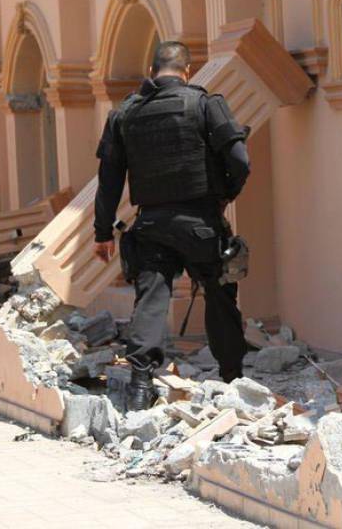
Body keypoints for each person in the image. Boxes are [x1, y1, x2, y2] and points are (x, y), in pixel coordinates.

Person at [92, 41, 250, 411]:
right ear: (188, 70)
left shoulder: (125, 114)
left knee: (151, 299)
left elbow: (109, 181)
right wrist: (223, 195)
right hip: (200, 222)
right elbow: (240, 161)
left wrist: (102, 234)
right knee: (219, 293)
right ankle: (233, 379)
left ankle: (140, 386)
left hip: (150, 224)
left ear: (152, 71)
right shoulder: (206, 104)